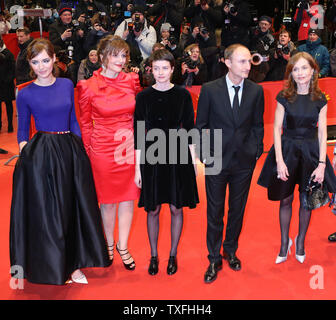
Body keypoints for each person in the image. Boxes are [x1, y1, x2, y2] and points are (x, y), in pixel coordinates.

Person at [10, 38, 111, 285]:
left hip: (69, 151)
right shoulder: (24, 93)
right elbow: (22, 131)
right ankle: (56, 267)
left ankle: (75, 266)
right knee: (49, 214)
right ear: (29, 64)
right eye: (35, 62)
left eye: (46, 60)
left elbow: (74, 119)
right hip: (41, 156)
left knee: (71, 209)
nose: (41, 66)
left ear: (55, 58)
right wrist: (28, 158)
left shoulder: (67, 85)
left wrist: (79, 149)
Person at [258, 52, 336, 264]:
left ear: (313, 71)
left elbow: (321, 133)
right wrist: (279, 160)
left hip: (311, 152)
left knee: (306, 200)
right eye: (296, 69)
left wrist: (321, 164)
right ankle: (285, 243)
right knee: (285, 199)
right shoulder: (284, 96)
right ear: (291, 73)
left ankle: (300, 241)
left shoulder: (320, 98)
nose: (300, 73)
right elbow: (276, 128)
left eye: (304, 68)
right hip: (288, 149)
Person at [196, 44, 264, 283]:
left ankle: (230, 250)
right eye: (242, 61)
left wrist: (256, 149)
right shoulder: (209, 90)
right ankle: (213, 257)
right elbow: (201, 125)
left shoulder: (256, 91)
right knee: (214, 212)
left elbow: (257, 124)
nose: (248, 65)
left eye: (249, 61)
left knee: (237, 210)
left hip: (244, 162)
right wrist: (205, 154)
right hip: (216, 159)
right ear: (227, 62)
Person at [77, 35, 140, 270]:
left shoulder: (132, 80)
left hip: (128, 146)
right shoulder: (87, 86)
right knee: (108, 202)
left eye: (123, 55)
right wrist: (88, 149)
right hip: (102, 148)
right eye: (115, 54)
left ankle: (123, 247)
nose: (120, 59)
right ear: (102, 56)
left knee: (127, 198)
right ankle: (109, 245)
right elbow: (84, 122)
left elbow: (138, 115)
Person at [134, 49, 199, 275]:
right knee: (152, 209)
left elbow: (190, 129)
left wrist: (193, 161)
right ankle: (154, 256)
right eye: (156, 68)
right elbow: (138, 133)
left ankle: (172, 255)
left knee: (175, 207)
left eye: (165, 68)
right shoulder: (142, 97)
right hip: (151, 154)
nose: (160, 73)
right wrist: (137, 169)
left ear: (173, 70)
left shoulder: (183, 95)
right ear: (151, 70)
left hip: (178, 153)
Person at [0, 34, 15, 133]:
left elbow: (13, 69)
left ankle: (10, 125)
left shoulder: (8, 54)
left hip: (7, 84)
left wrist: (7, 80)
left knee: (8, 104)